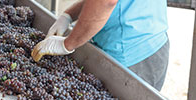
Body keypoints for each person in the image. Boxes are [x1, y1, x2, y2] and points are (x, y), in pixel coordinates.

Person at [31, 0, 169, 91]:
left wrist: (67, 44)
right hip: (153, 38)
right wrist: (68, 16)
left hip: (132, 55)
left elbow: (106, 2)